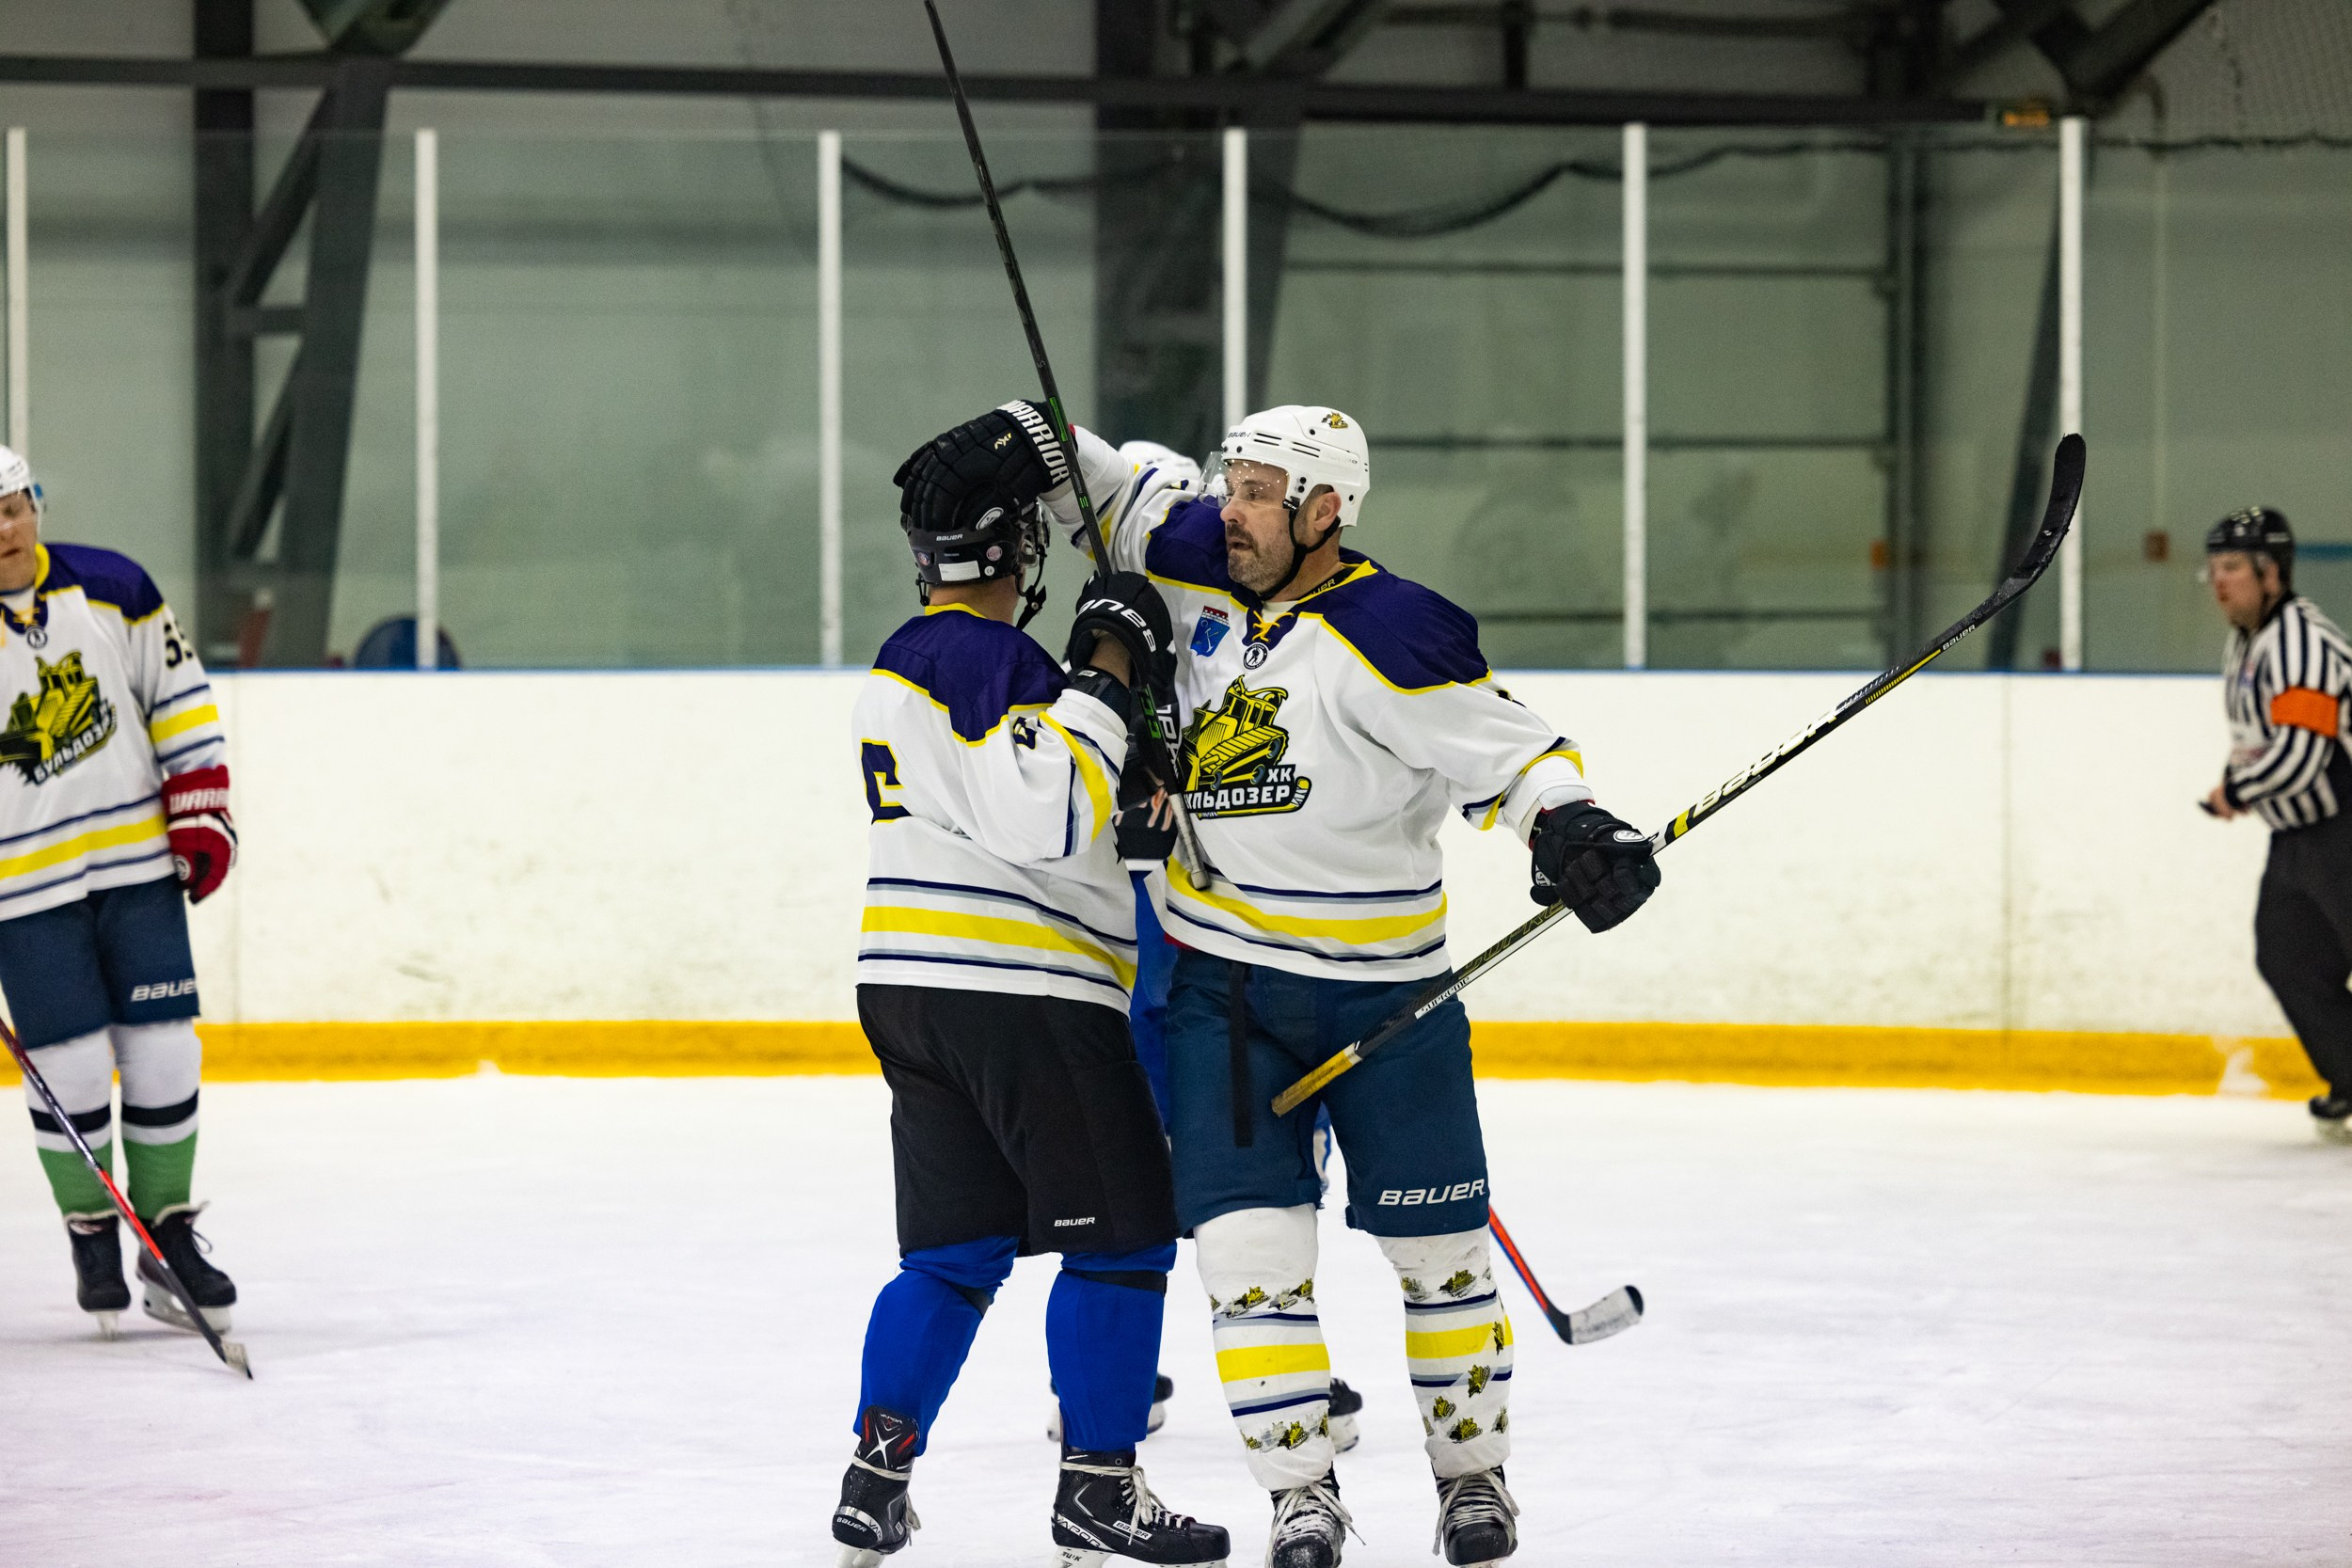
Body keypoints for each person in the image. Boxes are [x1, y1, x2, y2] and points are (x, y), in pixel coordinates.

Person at [908, 403, 1661, 1568]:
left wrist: (1570, 827)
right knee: (1250, 1265)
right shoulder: (1194, 552)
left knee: (1441, 1256)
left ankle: (1472, 1481)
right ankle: (1299, 1496)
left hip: (1388, 1000)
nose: (1231, 509)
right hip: (1225, 997)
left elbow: (1511, 751)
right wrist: (1026, 425)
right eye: (1230, 483)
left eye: (1259, 492)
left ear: (1324, 511)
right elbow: (1097, 479)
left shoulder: (1396, 629)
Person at [832, 404, 1229, 1568]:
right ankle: (1100, 1489)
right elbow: (1047, 810)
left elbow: (1060, 806)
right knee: (1120, 1242)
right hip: (1027, 993)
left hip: (916, 993)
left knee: (951, 1254)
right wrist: (1108, 663)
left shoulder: (920, 667)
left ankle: (876, 1473)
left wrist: (1131, 768)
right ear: (1018, 550)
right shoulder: (984, 654)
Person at [0, 445, 239, 1338]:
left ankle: (168, 1234)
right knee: (65, 1065)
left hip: (136, 866)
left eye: (14, 507)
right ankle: (94, 1232)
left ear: (35, 504)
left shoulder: (114, 587)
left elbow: (178, 698)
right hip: (23, 888)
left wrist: (202, 812)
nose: (4, 529)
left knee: (166, 1047)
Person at [2199, 507, 2352, 1140]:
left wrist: (2236, 791)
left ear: (2272, 572)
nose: (2219, 581)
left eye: (2232, 566)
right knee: (2288, 956)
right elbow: (2260, 741)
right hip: (2299, 838)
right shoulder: (2249, 638)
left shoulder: (2303, 643)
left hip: (2344, 830)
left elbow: (2301, 753)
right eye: (2212, 568)